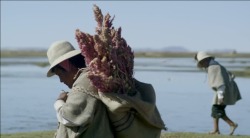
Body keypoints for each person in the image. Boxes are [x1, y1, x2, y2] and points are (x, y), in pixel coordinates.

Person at [46, 40, 114, 138]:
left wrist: (59, 101)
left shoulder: (84, 83)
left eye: (59, 74)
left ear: (68, 67)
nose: (61, 80)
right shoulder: (90, 78)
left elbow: (68, 117)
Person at [194, 51, 241, 135]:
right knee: (216, 109)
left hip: (223, 90)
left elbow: (220, 83)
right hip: (225, 89)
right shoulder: (216, 65)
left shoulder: (213, 67)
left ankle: (232, 124)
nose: (201, 65)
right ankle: (216, 130)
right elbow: (231, 75)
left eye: (201, 62)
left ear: (205, 60)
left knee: (216, 109)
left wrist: (220, 97)